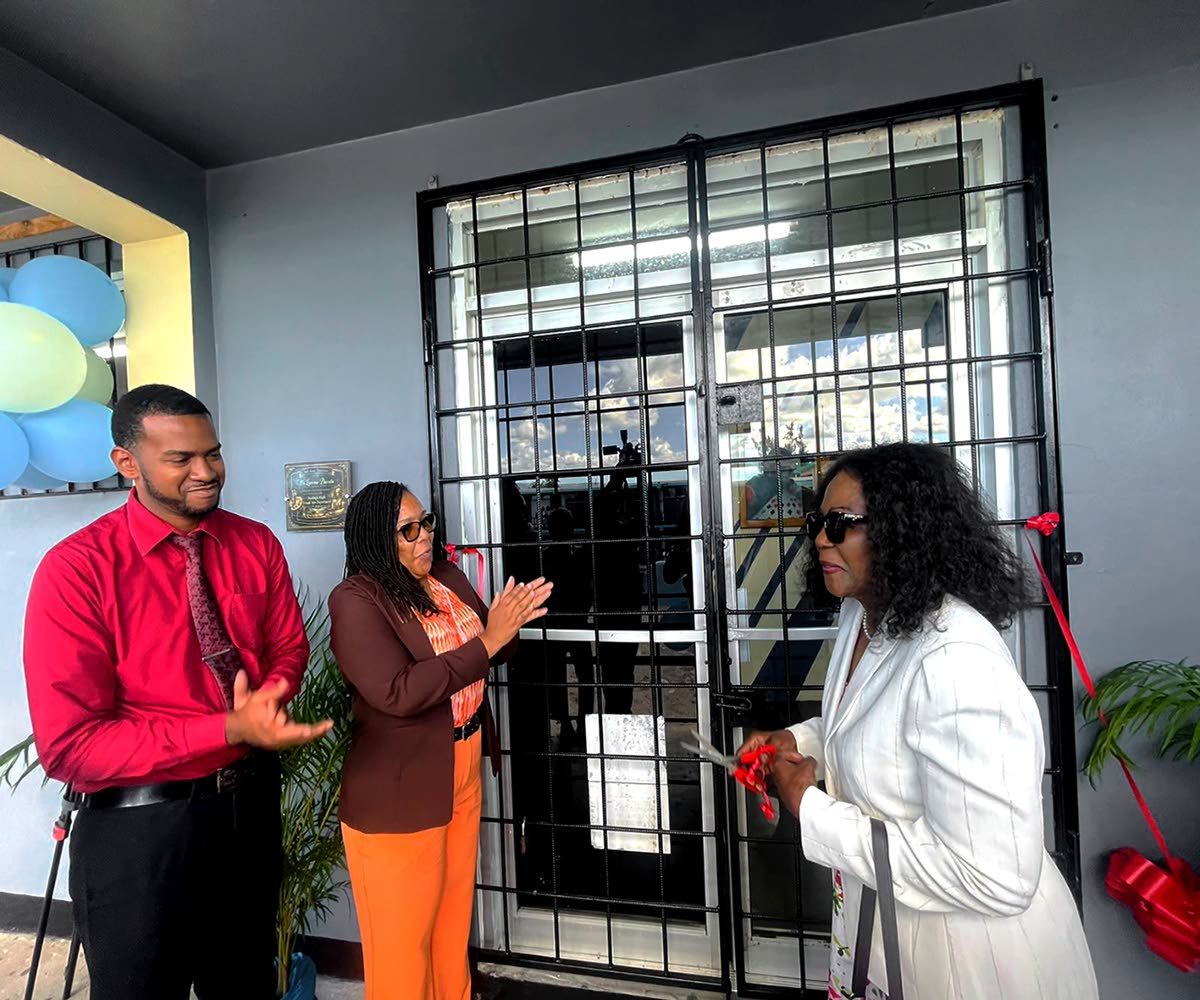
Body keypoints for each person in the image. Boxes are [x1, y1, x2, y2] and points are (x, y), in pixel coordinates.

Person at [740, 443, 1097, 999]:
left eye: (840, 524)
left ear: (905, 528)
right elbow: (872, 723)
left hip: (969, 965)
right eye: (817, 522)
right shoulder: (863, 615)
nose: (820, 539)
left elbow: (996, 878)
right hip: (888, 939)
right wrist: (796, 738)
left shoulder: (955, 660)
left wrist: (808, 805)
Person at [22, 384, 331, 1000]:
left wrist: (268, 699)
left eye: (213, 453)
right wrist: (227, 729)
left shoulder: (254, 544)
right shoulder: (77, 570)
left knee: (244, 985)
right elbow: (71, 748)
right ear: (126, 463)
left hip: (246, 814)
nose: (207, 471)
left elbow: (288, 648)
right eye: (181, 459)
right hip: (140, 834)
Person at [329, 481, 552, 1000]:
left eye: (425, 522)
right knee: (402, 946)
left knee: (452, 926)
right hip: (401, 786)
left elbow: (495, 646)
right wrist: (489, 639)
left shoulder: (445, 577)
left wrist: (506, 623)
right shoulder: (357, 599)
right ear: (374, 540)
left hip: (464, 763)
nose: (424, 536)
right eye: (407, 530)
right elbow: (397, 692)